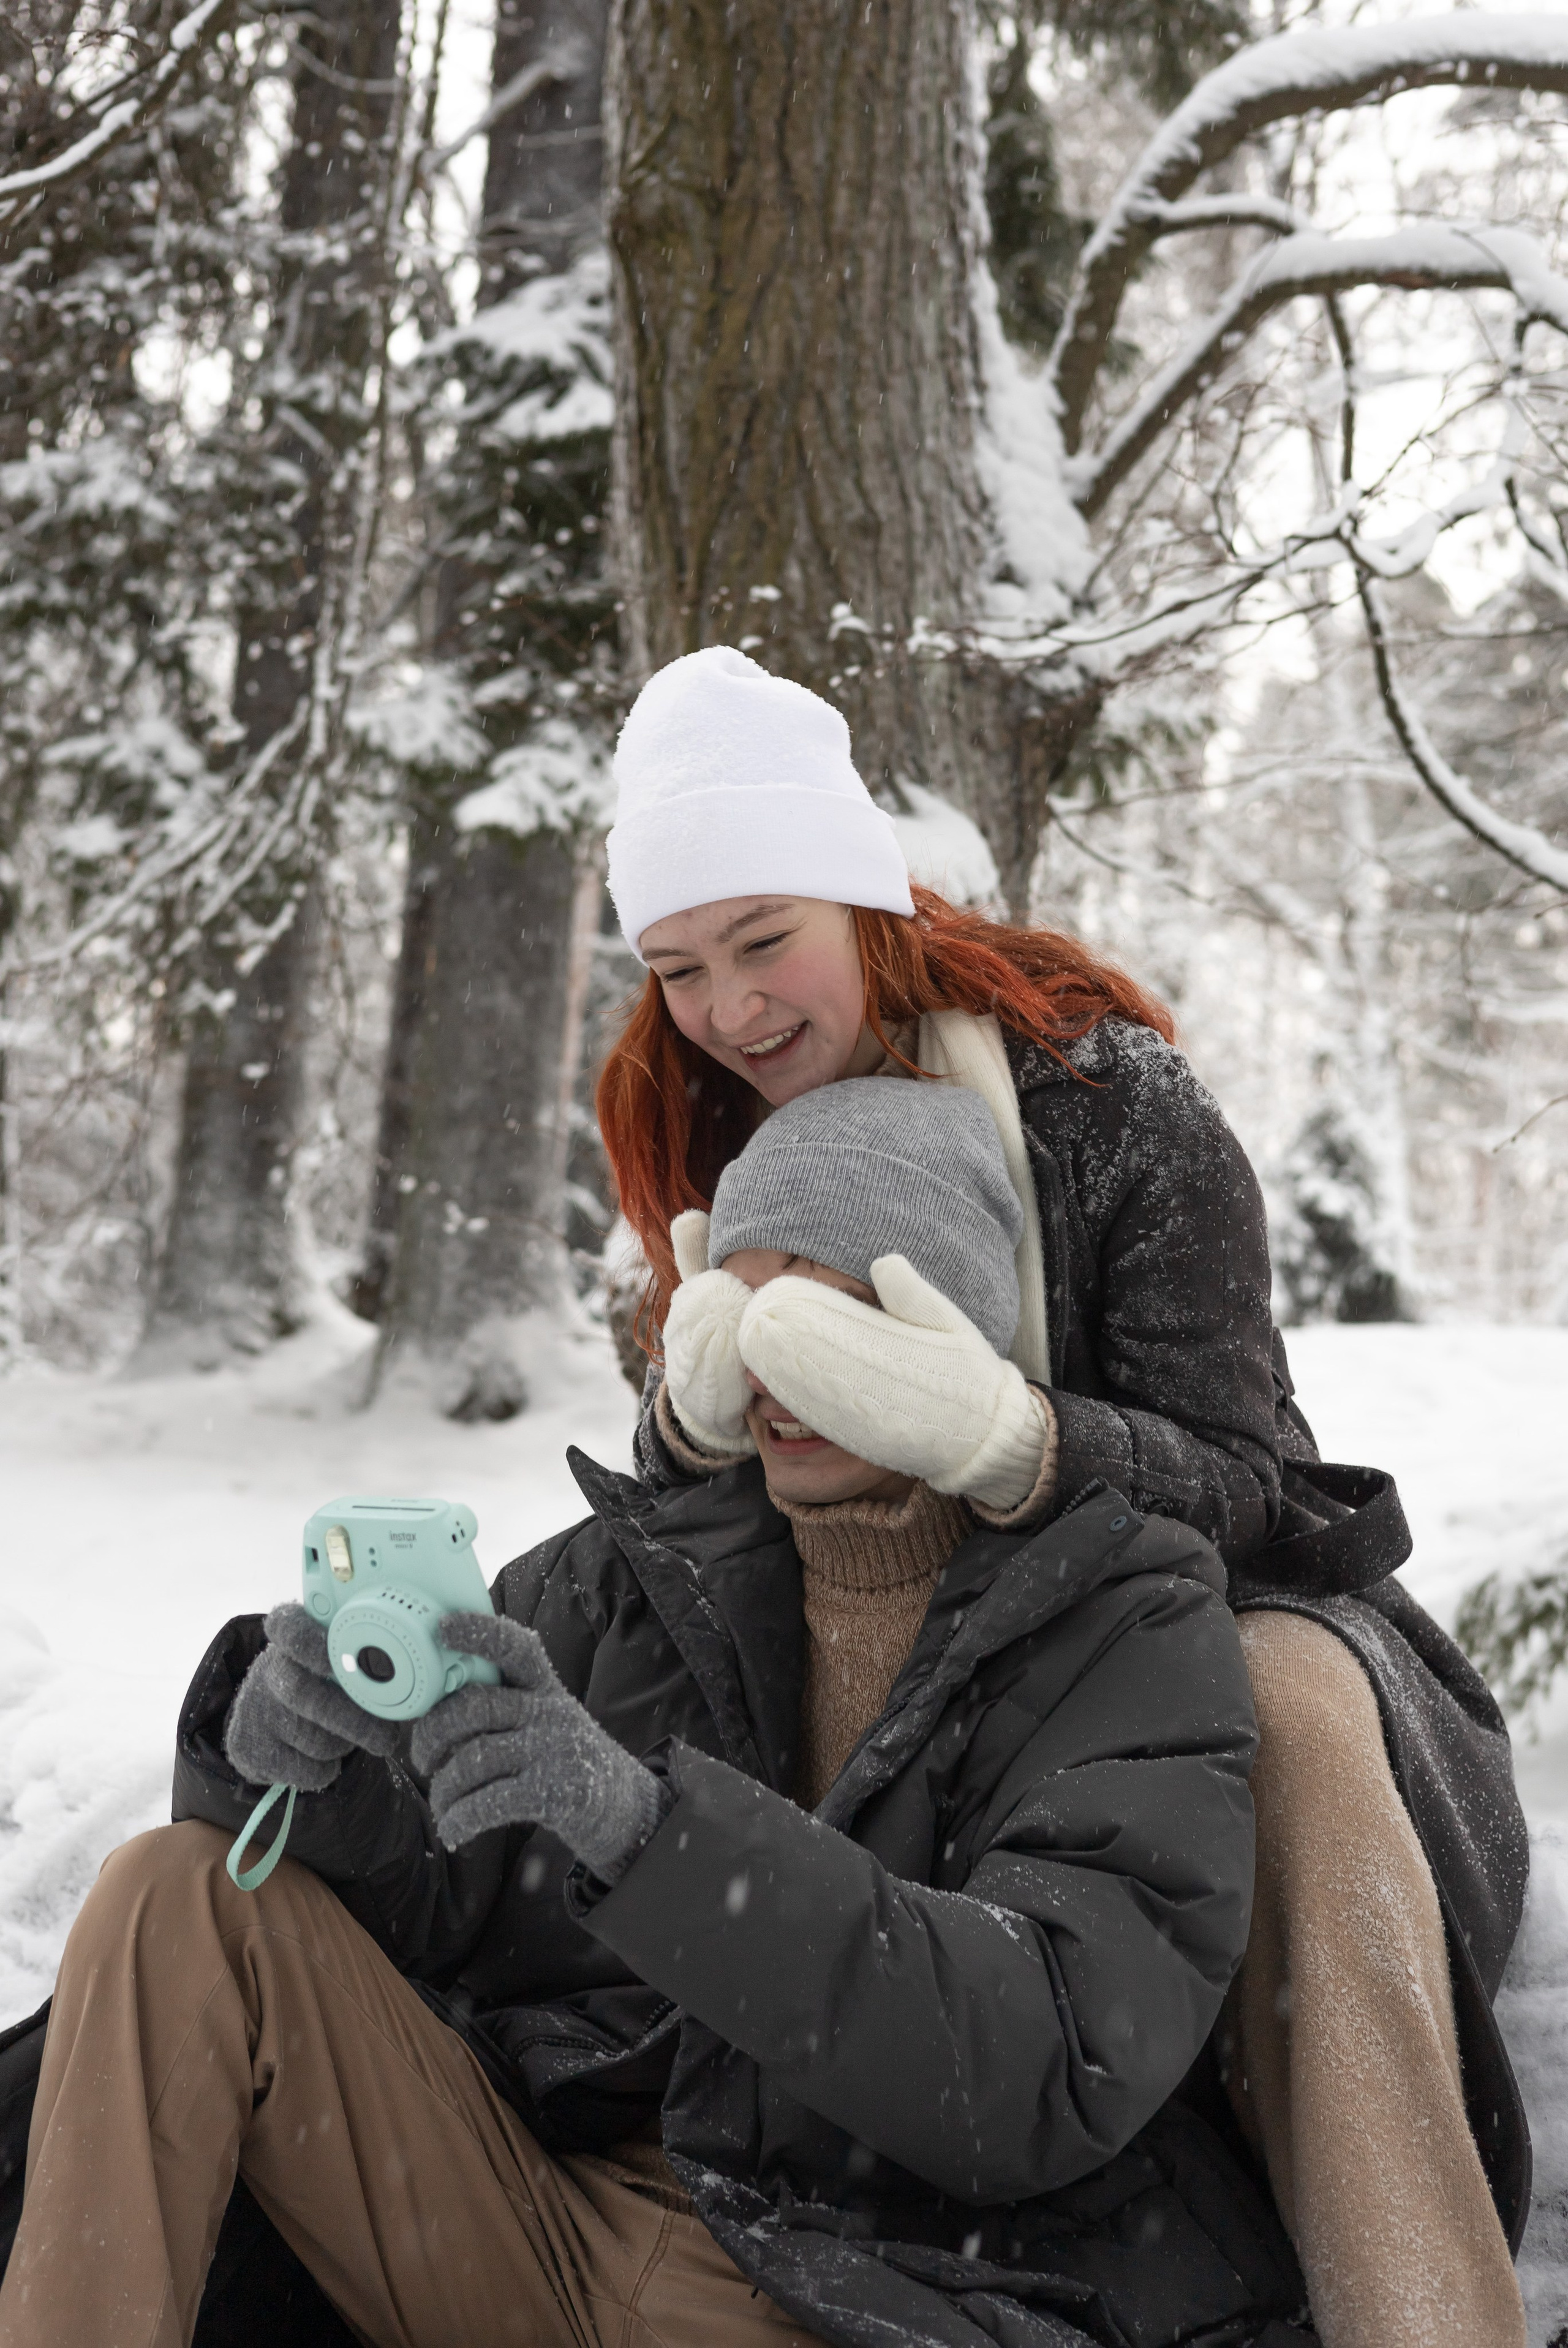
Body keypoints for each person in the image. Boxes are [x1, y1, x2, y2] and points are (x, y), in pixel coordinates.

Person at [0, 1082, 1292, 2348]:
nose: (773, 1374)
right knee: (181, 1893)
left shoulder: (1122, 1626)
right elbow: (447, 1899)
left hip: (867, 2285)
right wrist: (312, 1767)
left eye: (828, 1316)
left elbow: (1042, 2063)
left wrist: (652, 1837)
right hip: (530, 2219)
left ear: (949, 1329)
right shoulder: (642, 1568)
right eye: (739, 1306)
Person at [594, 644, 1532, 2348]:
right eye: (677, 966)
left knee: (1287, 1704)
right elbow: (695, 1539)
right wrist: (687, 1428)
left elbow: (1277, 1490)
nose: (728, 1008)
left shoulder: (1108, 1104)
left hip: (1209, 1634)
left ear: (867, 895)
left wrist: (1020, 1443)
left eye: (763, 941)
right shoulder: (691, 1120)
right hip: (934, 1666)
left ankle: (1423, 2313)